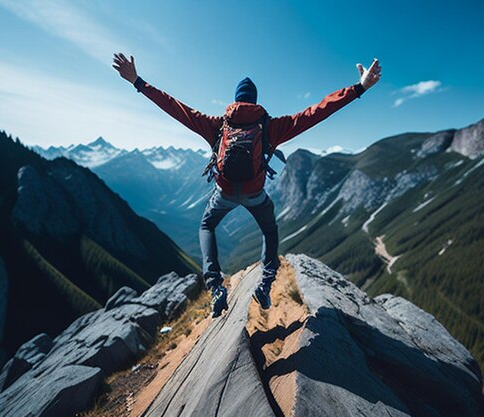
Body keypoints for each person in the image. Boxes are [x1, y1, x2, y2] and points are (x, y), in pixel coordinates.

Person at [113, 53, 381, 317]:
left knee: (207, 225)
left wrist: (138, 82)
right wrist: (359, 88)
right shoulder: (272, 127)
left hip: (225, 193)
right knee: (269, 230)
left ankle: (216, 286)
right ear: (254, 101)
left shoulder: (218, 126)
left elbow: (175, 108)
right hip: (255, 193)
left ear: (235, 100)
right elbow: (317, 112)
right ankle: (264, 284)